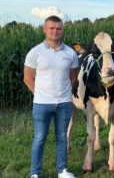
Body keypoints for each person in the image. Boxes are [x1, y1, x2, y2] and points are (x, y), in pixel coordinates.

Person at [23, 15, 78, 178]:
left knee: (62, 137)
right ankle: (35, 173)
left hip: (64, 103)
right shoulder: (35, 52)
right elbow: (27, 78)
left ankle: (62, 170)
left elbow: (73, 77)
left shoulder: (70, 53)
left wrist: (62, 92)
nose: (55, 31)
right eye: (52, 28)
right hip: (42, 104)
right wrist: (40, 94)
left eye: (58, 28)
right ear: (44, 29)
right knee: (40, 138)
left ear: (62, 30)